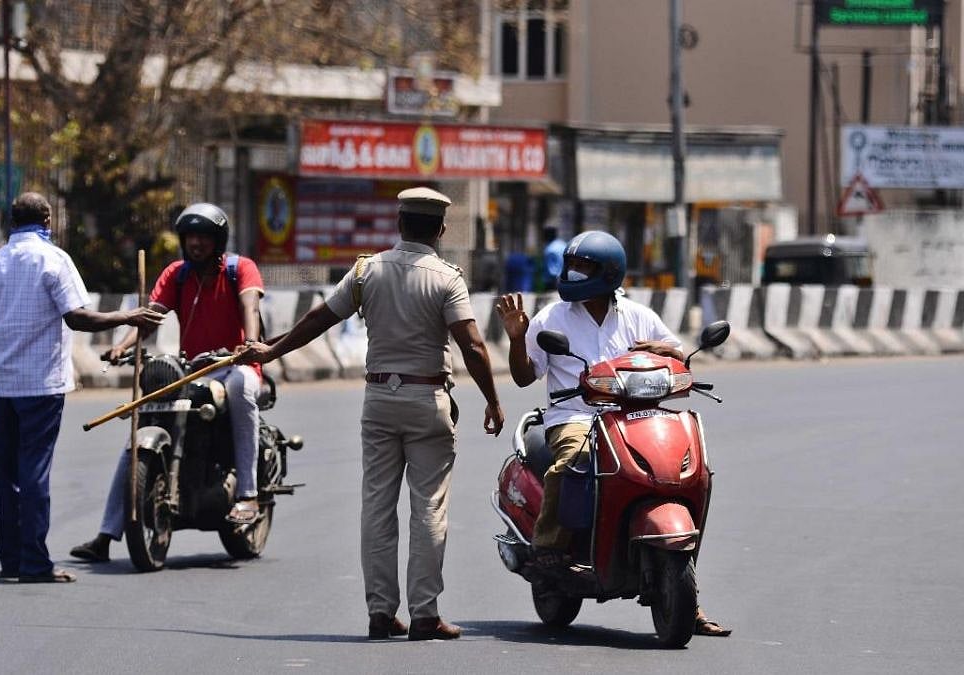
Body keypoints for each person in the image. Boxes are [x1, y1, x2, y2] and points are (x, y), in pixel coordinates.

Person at [237, 187, 505, 642]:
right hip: (427, 401)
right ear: (440, 230)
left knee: (377, 508)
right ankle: (424, 614)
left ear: (399, 224)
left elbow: (320, 319)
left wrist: (273, 348)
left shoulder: (367, 271)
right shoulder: (446, 278)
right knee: (428, 509)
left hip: (379, 400)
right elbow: (473, 345)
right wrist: (493, 401)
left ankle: (381, 612)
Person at [494, 229, 732, 637]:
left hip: (635, 418)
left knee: (690, 472)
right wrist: (517, 339)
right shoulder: (551, 318)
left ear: (608, 272)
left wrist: (669, 354)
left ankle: (687, 596)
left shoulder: (639, 316)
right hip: (574, 417)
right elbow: (522, 377)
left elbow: (676, 353)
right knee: (572, 461)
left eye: (583, 266)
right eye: (571, 265)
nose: (573, 273)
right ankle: (549, 547)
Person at [0, 192, 164, 583]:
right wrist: (129, 315)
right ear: (48, 220)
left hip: (4, 385)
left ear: (11, 222)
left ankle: (11, 560)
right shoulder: (54, 260)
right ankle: (35, 563)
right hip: (40, 384)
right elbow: (78, 318)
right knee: (34, 474)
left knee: (8, 477)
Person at [69, 202, 266, 563]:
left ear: (218, 240)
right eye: (190, 237)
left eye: (204, 237)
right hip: (193, 369)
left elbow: (249, 306)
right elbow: (150, 318)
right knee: (142, 423)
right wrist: (122, 347)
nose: (196, 244)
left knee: (240, 385)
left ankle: (248, 494)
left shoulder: (241, 269)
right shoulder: (177, 274)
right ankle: (106, 534)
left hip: (234, 363)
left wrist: (249, 346)